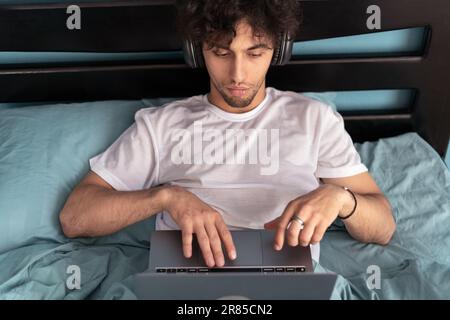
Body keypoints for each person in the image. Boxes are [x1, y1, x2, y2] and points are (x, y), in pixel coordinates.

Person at [59, 0, 396, 268]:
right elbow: (75, 218)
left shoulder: (315, 119)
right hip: (189, 286)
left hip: (284, 286)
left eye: (255, 52)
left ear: (278, 50)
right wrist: (166, 197)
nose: (238, 74)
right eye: (221, 52)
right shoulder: (161, 126)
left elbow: (383, 227)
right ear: (197, 50)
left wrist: (341, 199)